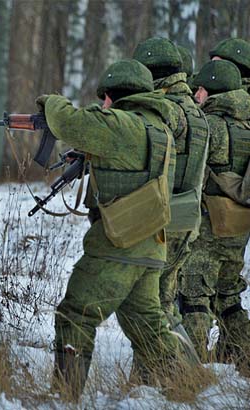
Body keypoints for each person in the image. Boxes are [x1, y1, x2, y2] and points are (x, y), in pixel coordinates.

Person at [36, 59, 186, 400]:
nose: (102, 103)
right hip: (150, 244)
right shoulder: (159, 128)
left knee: (75, 315)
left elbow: (69, 122)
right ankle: (187, 389)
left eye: (104, 97)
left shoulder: (121, 125)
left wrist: (51, 101)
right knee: (148, 328)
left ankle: (64, 397)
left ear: (112, 97)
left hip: (118, 243)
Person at [133, 38, 209, 330]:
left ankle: (160, 370)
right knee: (164, 300)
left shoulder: (164, 110)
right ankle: (180, 370)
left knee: (149, 303)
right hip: (186, 217)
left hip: (161, 219)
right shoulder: (194, 109)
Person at [179, 60, 250, 374]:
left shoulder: (210, 126)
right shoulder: (247, 122)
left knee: (194, 297)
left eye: (201, 89)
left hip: (210, 227)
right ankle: (243, 357)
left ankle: (188, 369)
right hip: (239, 227)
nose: (197, 95)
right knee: (229, 295)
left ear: (212, 90)